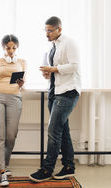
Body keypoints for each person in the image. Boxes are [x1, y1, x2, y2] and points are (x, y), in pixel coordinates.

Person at [29, 16, 81, 182]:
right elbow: (56, 72)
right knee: (62, 131)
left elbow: (74, 66)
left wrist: (54, 68)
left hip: (68, 91)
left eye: (50, 31)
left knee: (53, 131)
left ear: (59, 29)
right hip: (55, 91)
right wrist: (48, 73)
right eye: (45, 31)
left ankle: (47, 169)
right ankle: (68, 166)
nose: (47, 34)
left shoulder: (69, 42)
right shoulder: (53, 47)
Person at [0, 34, 26, 187]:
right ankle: (2, 171)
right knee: (0, 135)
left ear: (17, 48)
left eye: (14, 48)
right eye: (8, 48)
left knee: (11, 135)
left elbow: (21, 83)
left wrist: (22, 83)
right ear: (3, 47)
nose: (11, 51)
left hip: (14, 98)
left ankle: (5, 163)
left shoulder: (22, 62)